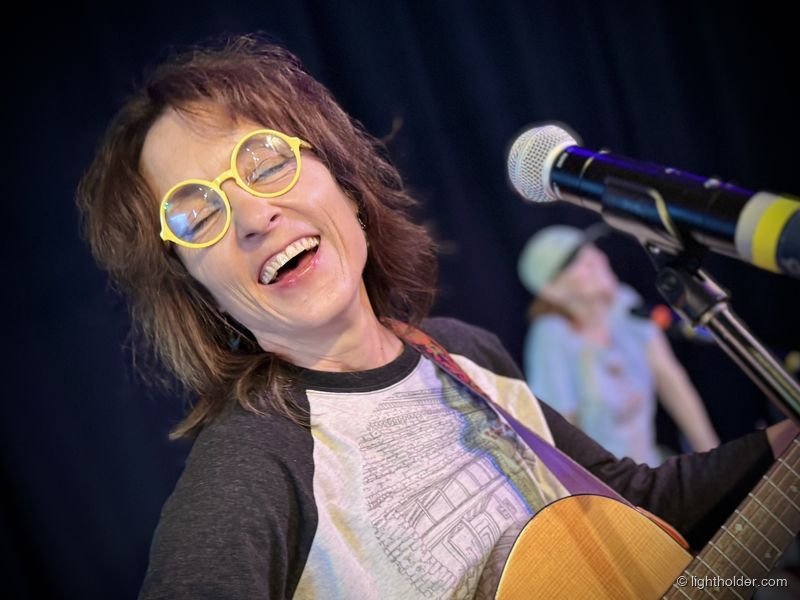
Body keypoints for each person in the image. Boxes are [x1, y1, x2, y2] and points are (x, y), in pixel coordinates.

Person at [76, 34, 797, 599]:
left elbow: (636, 502)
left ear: (345, 184)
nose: (254, 215)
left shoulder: (465, 354)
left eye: (265, 164)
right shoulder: (252, 465)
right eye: (197, 214)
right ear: (195, 286)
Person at [517, 224, 720, 466]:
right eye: (574, 260)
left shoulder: (624, 304)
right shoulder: (551, 337)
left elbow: (671, 380)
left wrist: (712, 458)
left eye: (589, 247)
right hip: (604, 482)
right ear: (553, 291)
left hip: (649, 469)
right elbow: (561, 434)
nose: (594, 258)